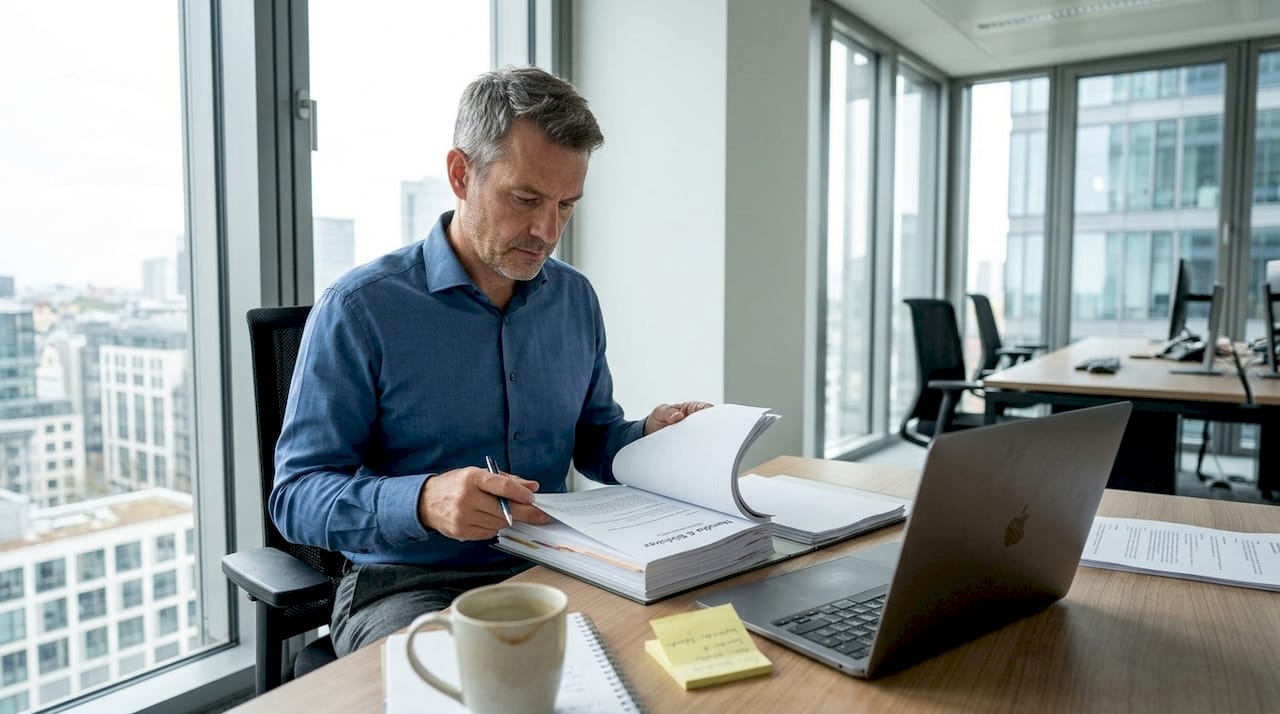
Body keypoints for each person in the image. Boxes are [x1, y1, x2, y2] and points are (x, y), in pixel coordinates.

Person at [270, 66, 711, 657]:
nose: (546, 230)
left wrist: (649, 439)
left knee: (686, 648)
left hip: (557, 565)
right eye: (525, 199)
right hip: (409, 585)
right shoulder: (360, 309)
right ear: (460, 173)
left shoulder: (574, 299)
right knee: (467, 685)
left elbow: (596, 442)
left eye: (566, 205)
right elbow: (296, 496)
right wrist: (422, 501)